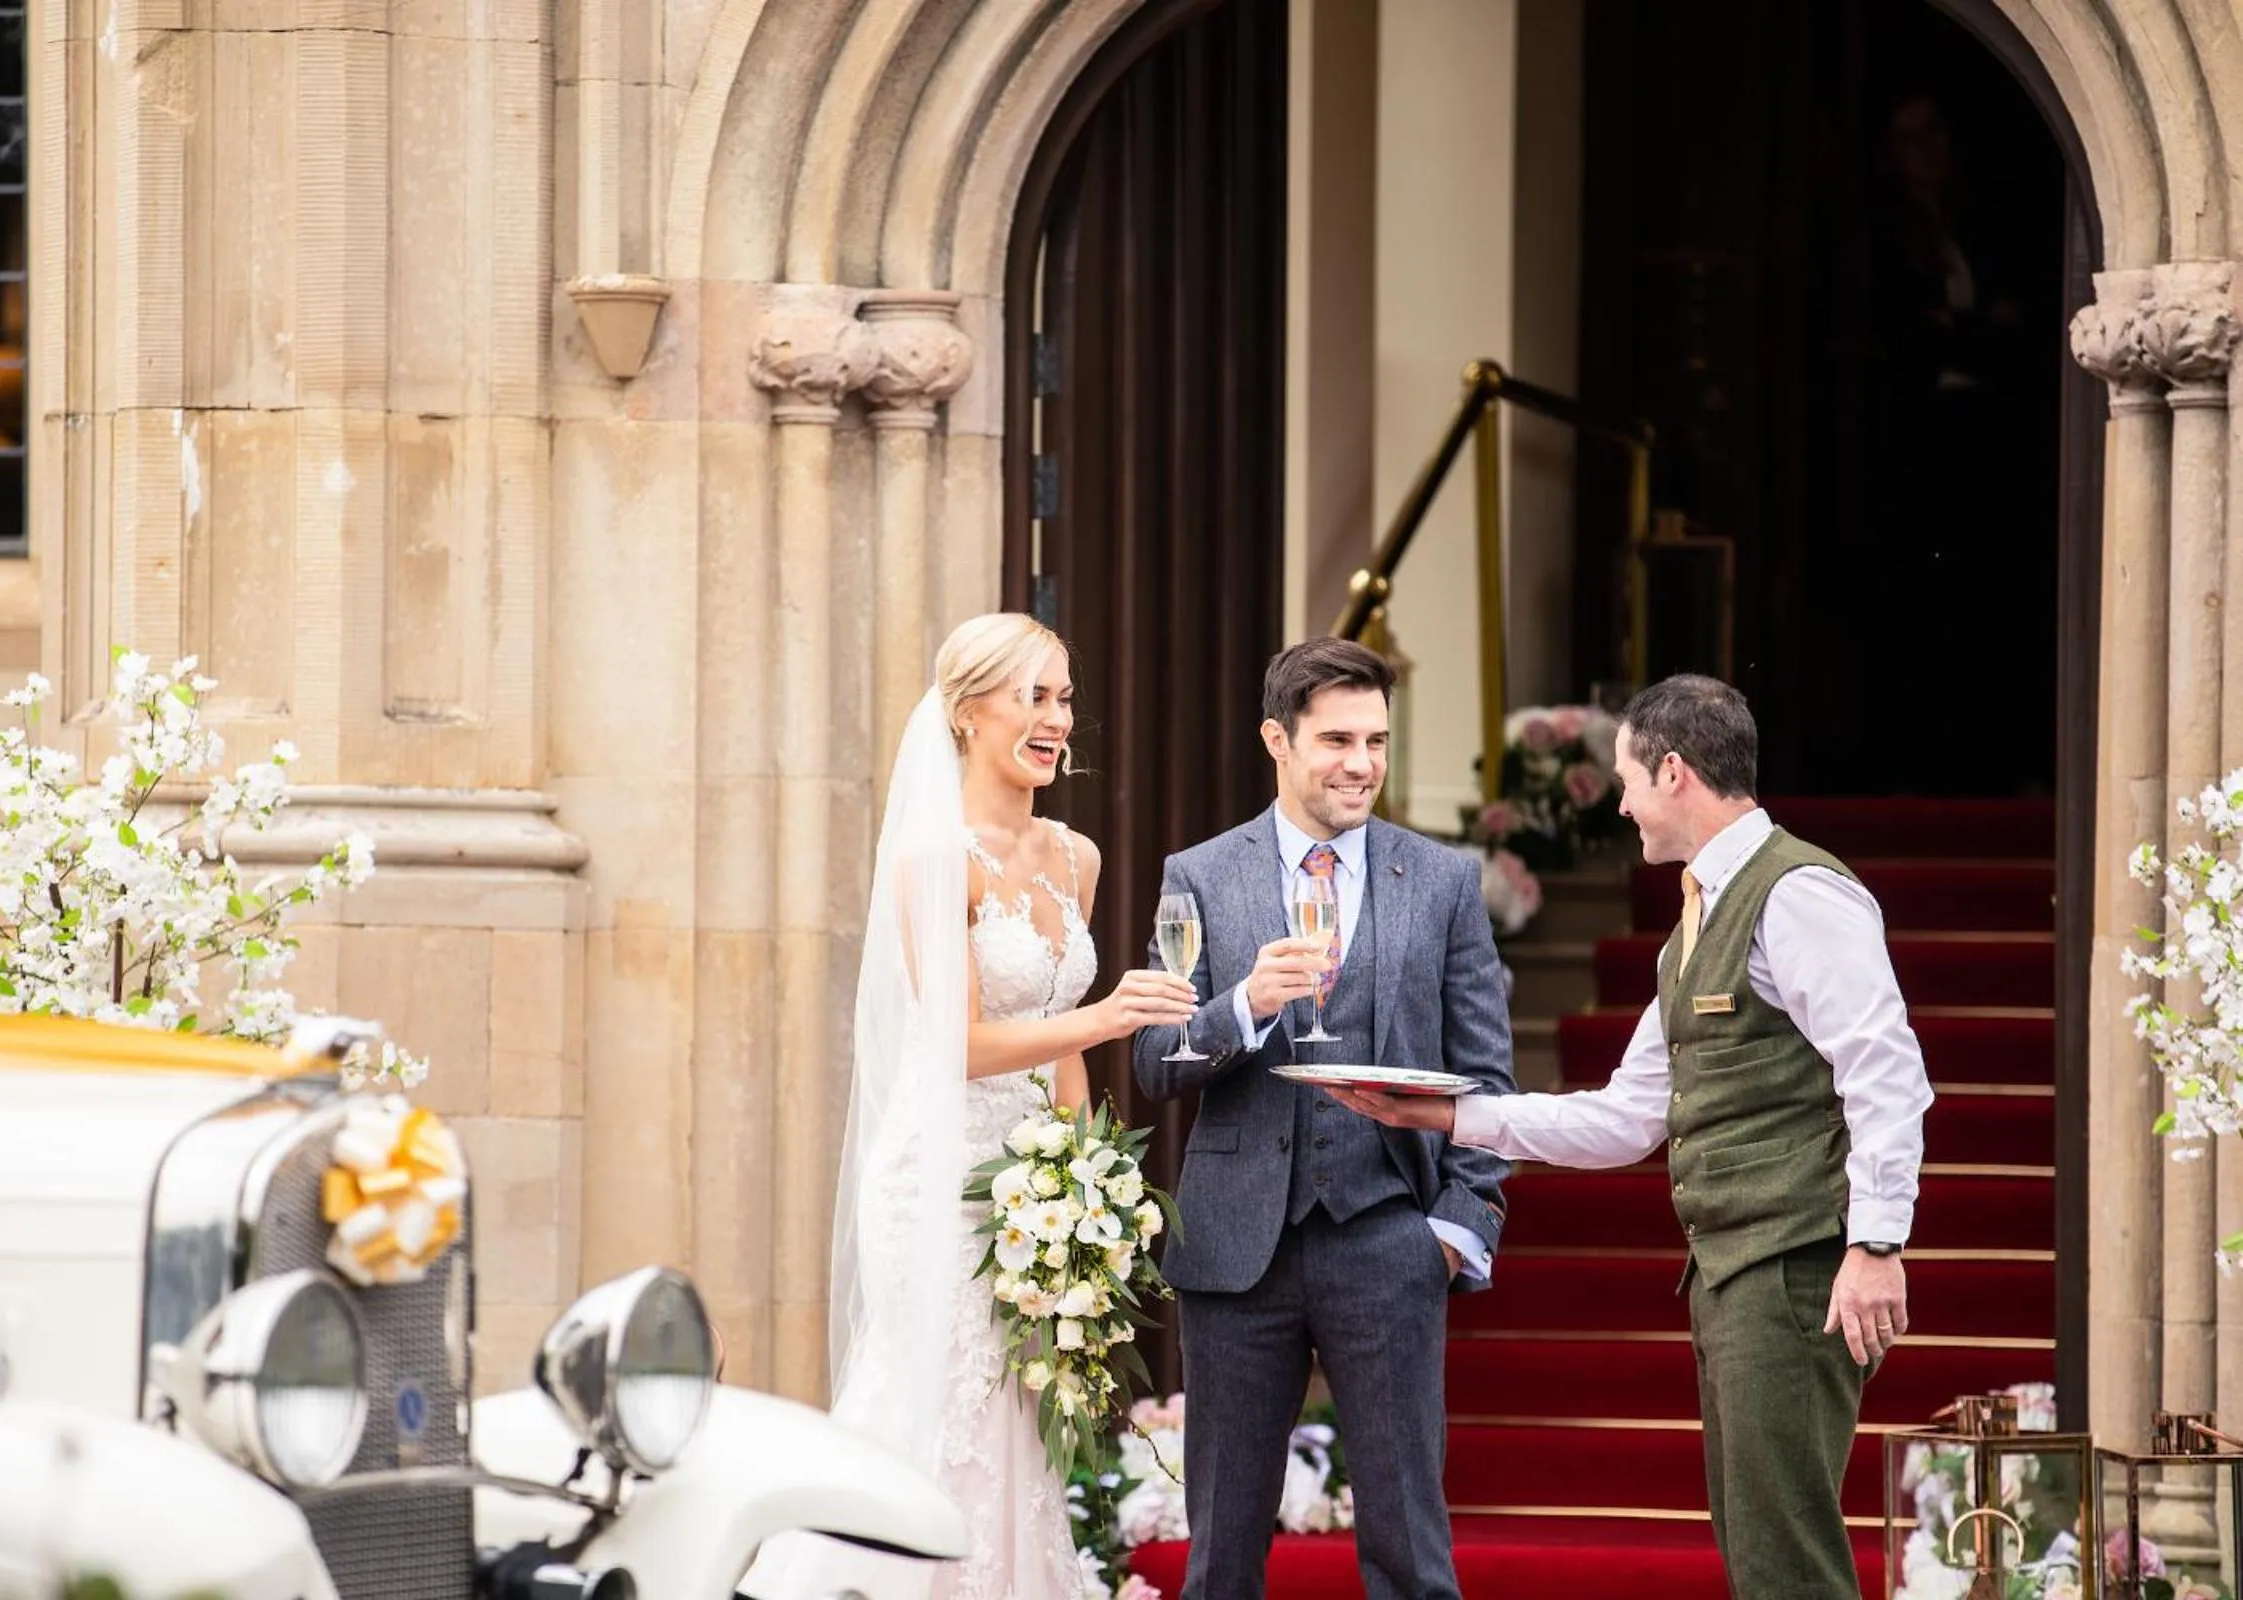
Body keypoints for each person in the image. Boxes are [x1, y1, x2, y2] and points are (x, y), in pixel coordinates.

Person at [1330, 673, 1934, 1600]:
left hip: (1792, 1264)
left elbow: (1885, 1072)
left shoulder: (1798, 893)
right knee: (1755, 1544)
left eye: (1627, 781)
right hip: (1734, 1271)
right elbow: (1623, 1117)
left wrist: (1877, 1242)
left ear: (1676, 773)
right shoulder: (1690, 928)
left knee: (1786, 1554)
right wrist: (1447, 1113)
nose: (1619, 803)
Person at [742, 613, 1199, 1600]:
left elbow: (1062, 1031)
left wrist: (1094, 1191)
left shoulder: (1075, 856)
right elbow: (955, 1045)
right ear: (965, 712)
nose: (1055, 718)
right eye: (1033, 695)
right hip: (940, 1183)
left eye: (1064, 696)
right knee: (939, 1411)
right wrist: (1112, 1015)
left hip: (1038, 1181)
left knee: (1021, 1426)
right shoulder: (932, 859)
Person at [1132, 637, 1515, 1600]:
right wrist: (1245, 1006)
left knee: (1410, 1553)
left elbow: (1488, 1079)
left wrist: (1455, 1229)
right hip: (1236, 1248)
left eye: (1377, 742)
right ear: (1277, 738)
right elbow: (1152, 1062)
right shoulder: (1201, 876)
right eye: (1338, 739)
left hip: (1388, 1239)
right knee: (1220, 1555)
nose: (1362, 764)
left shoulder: (1442, 882)